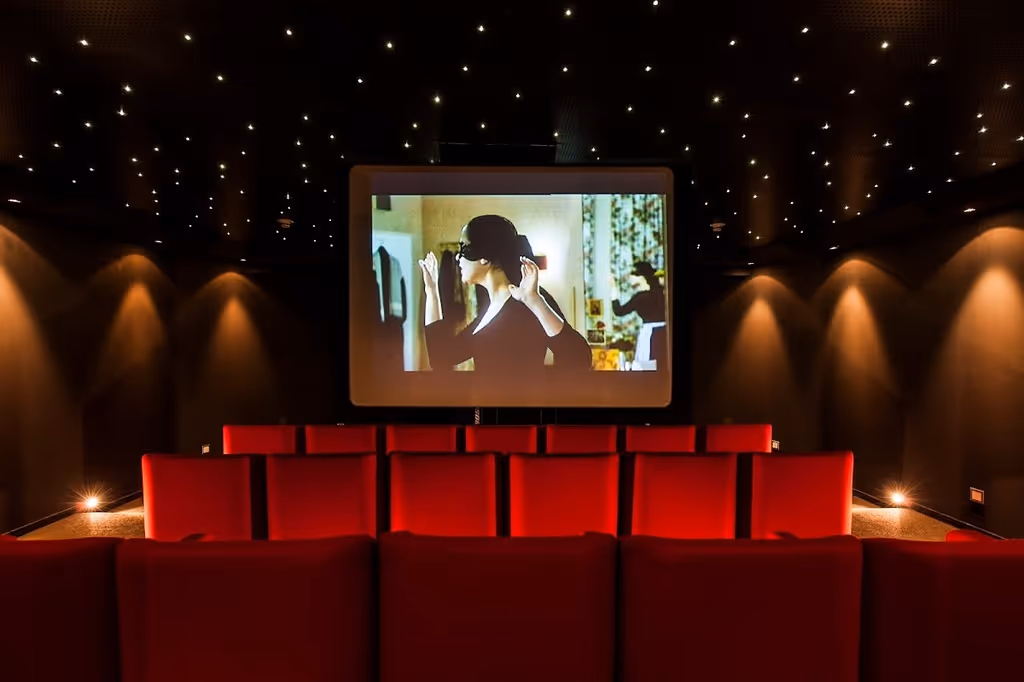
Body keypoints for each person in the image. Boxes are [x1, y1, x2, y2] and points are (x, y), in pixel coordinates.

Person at [419, 214, 591, 376]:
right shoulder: (490, 310)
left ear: (484, 256)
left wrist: (535, 301)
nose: (458, 258)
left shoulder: (527, 300)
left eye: (463, 248)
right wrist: (431, 291)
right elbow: (441, 357)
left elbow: (580, 359)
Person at [610, 261, 666, 367]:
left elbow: (619, 311)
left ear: (641, 276)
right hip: (664, 334)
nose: (630, 277)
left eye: (633, 273)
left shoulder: (640, 297)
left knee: (648, 366)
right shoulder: (662, 292)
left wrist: (613, 288)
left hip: (650, 335)